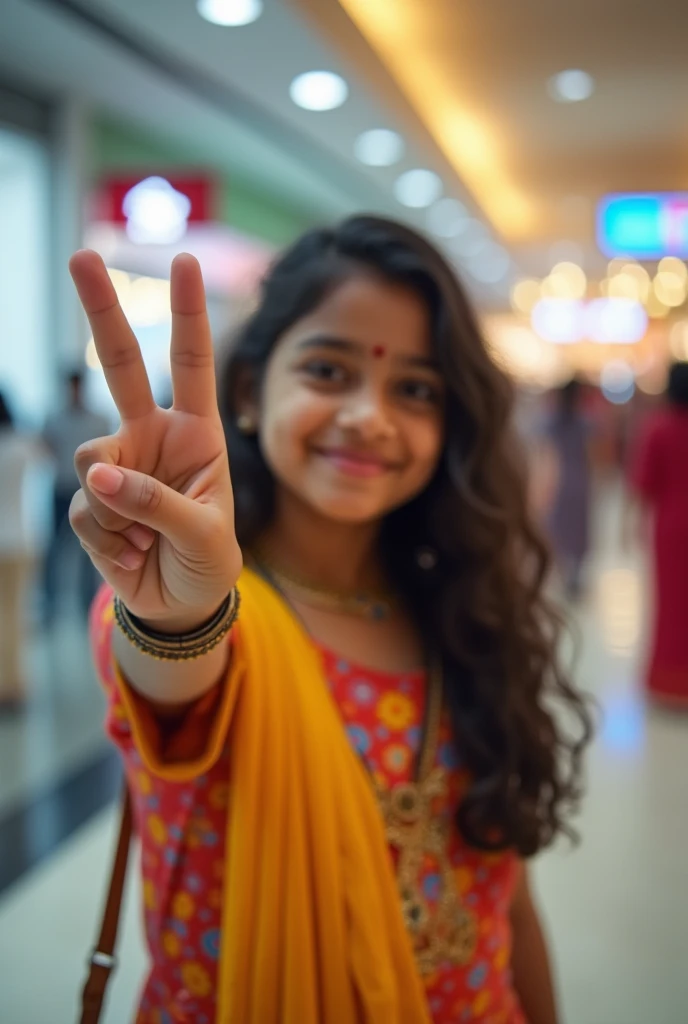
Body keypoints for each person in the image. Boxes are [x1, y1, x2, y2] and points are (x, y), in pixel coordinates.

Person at [69, 218, 591, 1024]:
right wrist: (178, 615)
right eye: (327, 370)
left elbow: (510, 899)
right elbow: (170, 669)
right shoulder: (191, 605)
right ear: (248, 392)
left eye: (415, 389)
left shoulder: (463, 607)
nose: (368, 416)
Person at [629, 362, 688, 707]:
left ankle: (667, 681)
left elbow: (643, 484)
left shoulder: (658, 429)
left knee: (669, 605)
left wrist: (630, 524)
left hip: (669, 527)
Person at [42, 370, 110, 623]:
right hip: (61, 488)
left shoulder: (98, 419)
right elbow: (46, 445)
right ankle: (51, 604)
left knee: (89, 548)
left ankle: (88, 604)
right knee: (55, 546)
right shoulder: (54, 418)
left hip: (88, 489)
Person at [0, 390, 47, 710]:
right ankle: (13, 686)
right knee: (15, 617)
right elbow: (48, 456)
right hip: (19, 541)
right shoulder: (19, 445)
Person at [540, 379, 593, 599]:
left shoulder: (550, 424)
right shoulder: (585, 423)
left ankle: (564, 576)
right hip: (579, 483)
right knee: (578, 532)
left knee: (558, 530)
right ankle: (574, 577)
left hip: (558, 483)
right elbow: (595, 457)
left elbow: (545, 457)